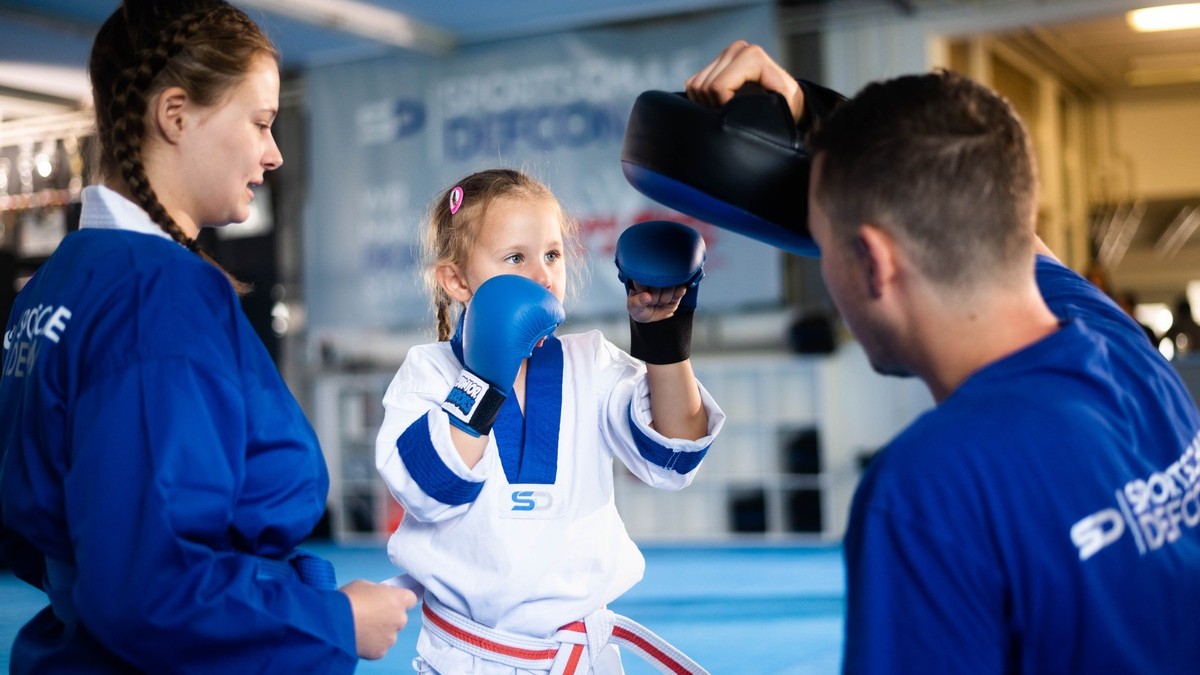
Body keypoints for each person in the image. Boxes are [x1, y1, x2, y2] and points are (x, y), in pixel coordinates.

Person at [685, 41, 1200, 673]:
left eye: (822, 247)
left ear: (875, 262)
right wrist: (812, 111)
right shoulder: (1123, 348)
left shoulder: (929, 491)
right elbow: (1000, 216)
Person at [0, 1, 416, 672]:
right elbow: (150, 585)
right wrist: (332, 618)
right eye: (259, 123)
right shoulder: (154, 295)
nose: (272, 153)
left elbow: (47, 541)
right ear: (175, 115)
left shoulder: (59, 284)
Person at [374, 168, 725, 674]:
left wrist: (665, 339)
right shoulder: (427, 372)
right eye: (516, 257)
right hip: (470, 659)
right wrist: (484, 379)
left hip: (583, 658)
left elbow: (673, 456)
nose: (542, 275)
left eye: (553, 255)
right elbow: (431, 490)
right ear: (456, 280)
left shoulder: (591, 362)